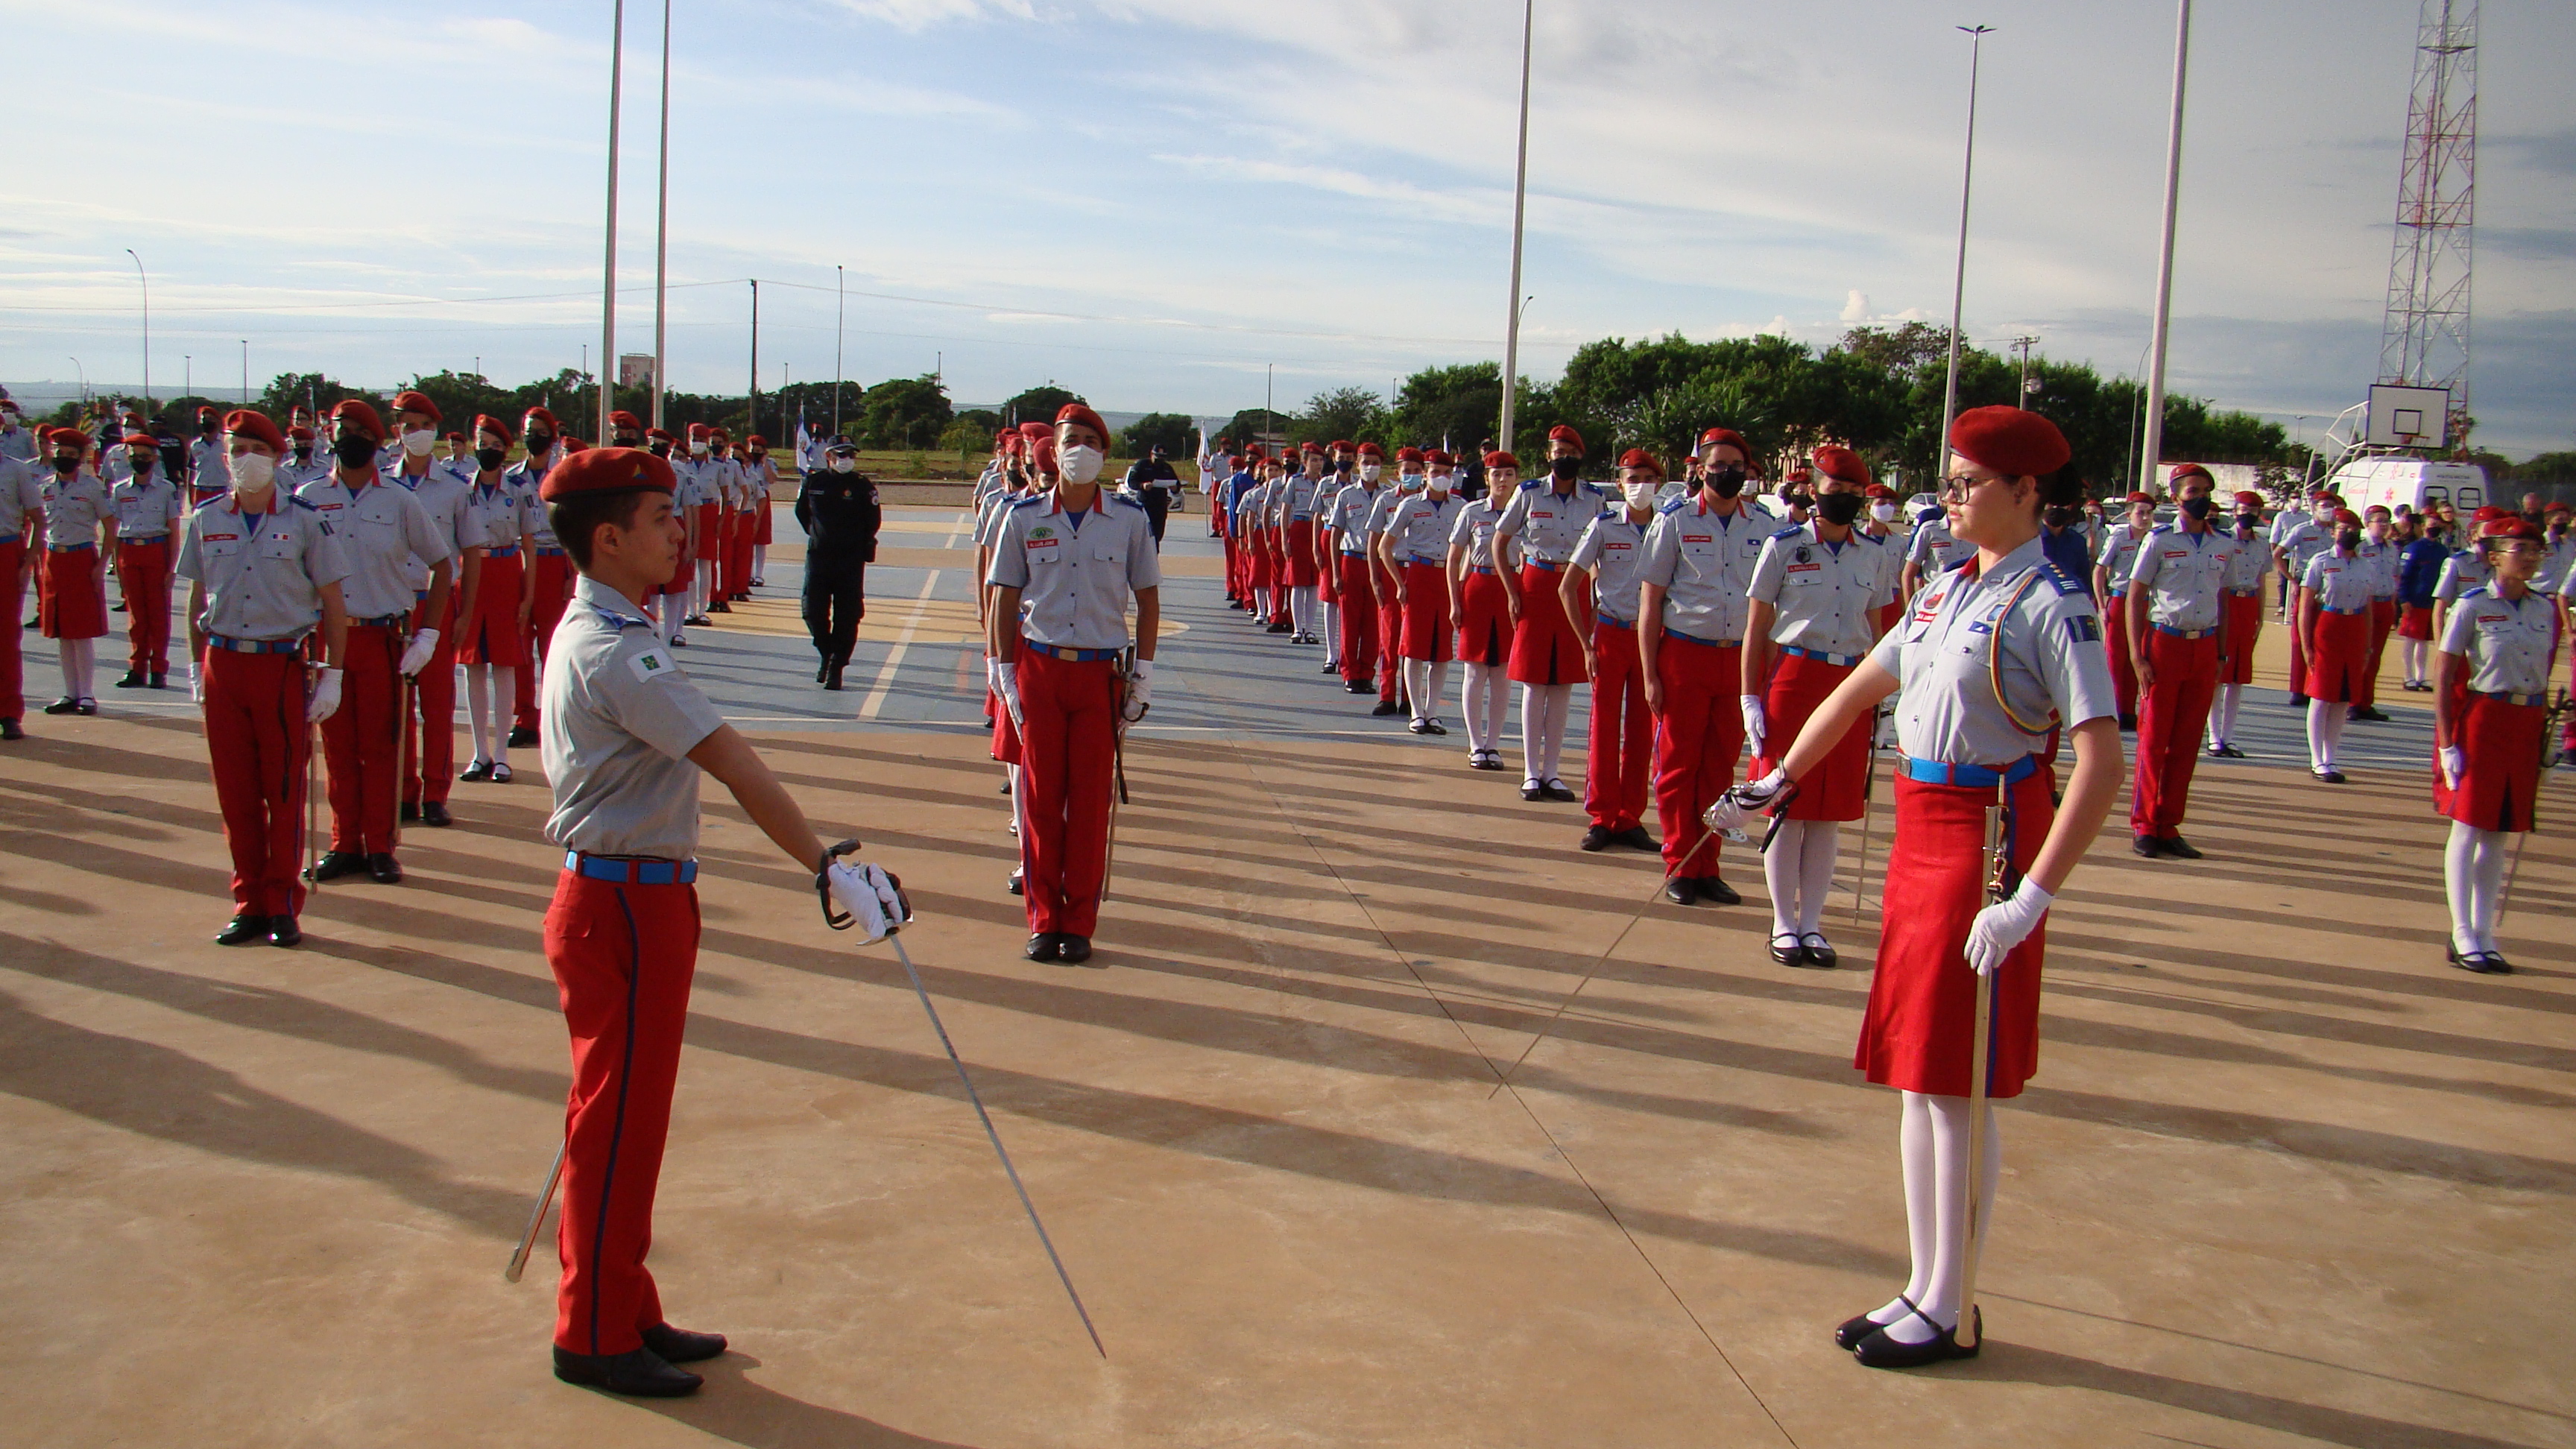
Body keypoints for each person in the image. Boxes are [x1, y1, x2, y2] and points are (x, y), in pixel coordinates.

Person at [1710, 404, 2121, 1368]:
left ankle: (1955, 1304)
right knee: (1917, 1079)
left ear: (2027, 493)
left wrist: (2036, 896)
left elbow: (2100, 761)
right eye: (1954, 480)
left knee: (1961, 1083)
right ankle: (1925, 1286)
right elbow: (1859, 689)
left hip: (1987, 841)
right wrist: (1779, 777)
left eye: (1974, 483)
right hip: (1923, 834)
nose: (1954, 497)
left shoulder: (2055, 604)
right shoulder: (1943, 590)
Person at [528, 441, 909, 1398]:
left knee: (628, 1122)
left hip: (638, 894)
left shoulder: (611, 626)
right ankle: (594, 1333)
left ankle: (625, 1300)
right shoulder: (620, 650)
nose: (678, 529)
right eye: (659, 518)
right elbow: (734, 763)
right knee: (614, 1128)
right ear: (608, 539)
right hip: (622, 903)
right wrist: (827, 865)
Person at [985, 405, 1158, 964]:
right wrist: (1003, 673)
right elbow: (1004, 597)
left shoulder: (1130, 521)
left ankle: (1079, 921)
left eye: (1090, 440)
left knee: (1089, 804)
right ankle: (1042, 918)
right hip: (1039, 667)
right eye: (1070, 440)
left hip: (1100, 675)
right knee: (1038, 801)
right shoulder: (1023, 516)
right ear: (1053, 451)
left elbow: (1149, 600)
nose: (1079, 449)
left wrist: (1143, 678)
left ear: (1104, 454)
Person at [174, 409, 351, 947]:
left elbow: (333, 603)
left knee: (282, 790)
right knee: (236, 794)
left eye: (256, 448)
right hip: (224, 661)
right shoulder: (207, 519)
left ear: (276, 456)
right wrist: (195, 666)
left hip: (279, 665)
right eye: (236, 448)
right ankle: (248, 899)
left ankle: (281, 903)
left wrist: (333, 677)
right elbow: (194, 599)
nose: (244, 458)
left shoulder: (303, 521)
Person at [1741, 444, 1895, 965]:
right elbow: (1757, 628)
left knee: (1829, 813)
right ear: (1813, 490)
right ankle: (1783, 922)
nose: (1846, 500)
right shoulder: (1782, 547)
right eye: (1837, 491)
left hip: (1850, 681)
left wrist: (1882, 705)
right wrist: (1750, 696)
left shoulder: (1875, 554)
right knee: (1788, 802)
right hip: (1794, 676)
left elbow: (1879, 633)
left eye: (1855, 494)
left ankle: (1813, 925)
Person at [295, 400, 455, 883]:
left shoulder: (400, 500)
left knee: (383, 747)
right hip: (327, 640)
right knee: (338, 747)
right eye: (343, 429)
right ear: (329, 433)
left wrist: (428, 633)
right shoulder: (305, 498)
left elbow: (443, 564)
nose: (352, 438)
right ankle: (345, 842)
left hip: (381, 636)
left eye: (362, 431)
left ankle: (382, 845)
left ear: (378, 437)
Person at [1636, 426, 1770, 906]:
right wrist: (1651, 672)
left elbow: (1770, 606)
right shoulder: (1672, 521)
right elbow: (1650, 602)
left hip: (1735, 660)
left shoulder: (1763, 527)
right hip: (1684, 655)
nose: (1727, 474)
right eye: (1718, 465)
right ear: (1700, 469)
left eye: (1737, 466)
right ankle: (1679, 863)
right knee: (1677, 766)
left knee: (1718, 768)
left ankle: (1706, 863)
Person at [2432, 516, 2560, 973]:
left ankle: (2485, 931)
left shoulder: (2545, 609)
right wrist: (2449, 744)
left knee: (2501, 829)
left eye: (2535, 550)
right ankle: (2461, 930)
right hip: (2484, 719)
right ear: (2493, 556)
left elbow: (2544, 670)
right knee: (2468, 824)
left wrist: (2545, 737)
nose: (2530, 558)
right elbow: (2445, 678)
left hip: (2525, 721)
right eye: (2520, 549)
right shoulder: (2470, 607)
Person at [2123, 463, 2239, 856]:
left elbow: (2223, 597)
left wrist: (2221, 652)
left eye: (2206, 490)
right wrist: (2137, 656)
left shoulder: (2224, 544)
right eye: (2192, 491)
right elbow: (2137, 596)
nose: (2201, 497)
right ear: (2175, 498)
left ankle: (2169, 824)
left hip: (2204, 646)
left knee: (2188, 741)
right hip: (2165, 643)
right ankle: (2144, 824)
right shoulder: (2158, 541)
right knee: (2154, 739)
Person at [385, 391, 484, 827]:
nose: (416, 434)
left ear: (436, 432)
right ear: (396, 432)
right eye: (408, 426)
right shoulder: (380, 486)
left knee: (437, 703)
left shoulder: (455, 491)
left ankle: (435, 792)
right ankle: (404, 791)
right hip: (390, 603)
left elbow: (473, 554)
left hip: (437, 603)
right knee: (396, 704)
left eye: (424, 425)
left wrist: (464, 615)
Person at [1562, 449, 1664, 852]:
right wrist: (1586, 643)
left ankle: (1631, 816)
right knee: (1604, 727)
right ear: (1619, 484)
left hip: (1653, 638)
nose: (1640, 486)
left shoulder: (1668, 527)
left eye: (1647, 478)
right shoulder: (1604, 527)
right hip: (1612, 632)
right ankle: (1602, 815)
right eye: (1631, 479)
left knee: (1643, 728)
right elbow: (1568, 585)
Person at [1497, 424, 1604, 800]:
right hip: (1536, 585)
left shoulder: (1593, 499)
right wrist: (1512, 589)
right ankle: (1530, 771)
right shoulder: (1528, 494)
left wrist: (1597, 597)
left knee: (1563, 685)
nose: (1565, 459)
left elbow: (1600, 552)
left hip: (1575, 589)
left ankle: (1552, 772)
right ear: (1548, 455)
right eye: (1559, 453)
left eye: (1572, 453)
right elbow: (1500, 540)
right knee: (1534, 682)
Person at [458, 415, 531, 783]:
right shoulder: (460, 489)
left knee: (504, 666)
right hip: (471, 574)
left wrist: (528, 596)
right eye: (482, 442)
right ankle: (479, 752)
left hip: (505, 574)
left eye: (495, 445)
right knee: (472, 666)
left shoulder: (518, 490)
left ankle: (502, 754)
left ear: (506, 450)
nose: (487, 450)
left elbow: (530, 546)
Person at [1378, 451, 1466, 736]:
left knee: (1441, 652)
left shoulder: (1462, 507)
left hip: (1447, 577)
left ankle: (1433, 712)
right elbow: (1384, 547)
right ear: (1425, 474)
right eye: (1435, 472)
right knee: (1413, 649)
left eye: (1446, 472)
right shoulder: (1409, 505)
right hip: (1418, 573)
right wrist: (1400, 584)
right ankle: (1416, 711)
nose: (1440, 477)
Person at [37, 427, 115, 716]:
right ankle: (69, 692)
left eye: (71, 454)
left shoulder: (92, 487)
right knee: (62, 632)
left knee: (81, 632)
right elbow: (37, 525)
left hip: (82, 558)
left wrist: (102, 563)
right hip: (54, 560)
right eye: (60, 453)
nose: (64, 458)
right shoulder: (45, 487)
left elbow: (111, 525)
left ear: (81, 457)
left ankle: (87, 694)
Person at [1450, 452, 1519, 769]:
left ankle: (1494, 743)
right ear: (1486, 478)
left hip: (1512, 589)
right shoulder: (1472, 512)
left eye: (1508, 474)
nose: (1502, 480)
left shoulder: (1525, 513)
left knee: (1503, 672)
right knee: (1475, 671)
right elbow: (1454, 558)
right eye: (1496, 475)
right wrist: (1454, 600)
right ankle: (1475, 744)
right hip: (1478, 586)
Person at [795, 440, 882, 689]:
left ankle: (836, 666)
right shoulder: (814, 483)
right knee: (812, 610)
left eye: (851, 454)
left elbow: (873, 519)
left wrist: (858, 543)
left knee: (848, 615)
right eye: (841, 454)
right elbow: (802, 512)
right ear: (829, 456)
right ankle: (827, 653)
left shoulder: (862, 486)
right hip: (820, 557)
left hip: (850, 560)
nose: (847, 458)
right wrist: (817, 534)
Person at [2296, 509, 2375, 783]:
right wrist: (2307, 645)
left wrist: (2368, 646)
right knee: (2321, 694)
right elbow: (2306, 607)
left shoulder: (2367, 566)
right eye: (2342, 529)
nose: (2348, 534)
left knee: (2343, 697)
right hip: (2328, 627)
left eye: (2353, 530)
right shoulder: (2321, 562)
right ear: (2332, 532)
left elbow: (2368, 609)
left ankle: (2332, 756)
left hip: (2354, 629)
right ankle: (2317, 759)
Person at [512, 409, 575, 745]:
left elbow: (574, 530)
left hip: (554, 564)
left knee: (552, 646)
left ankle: (555, 716)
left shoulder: (563, 478)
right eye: (528, 430)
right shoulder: (511, 479)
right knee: (519, 647)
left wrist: (572, 574)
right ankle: (524, 716)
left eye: (540, 431)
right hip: (521, 564)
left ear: (552, 436)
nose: (533, 436)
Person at [109, 430, 184, 689]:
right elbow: (115, 531)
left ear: (153, 459)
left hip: (156, 551)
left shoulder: (166, 489)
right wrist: (116, 566)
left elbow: (174, 530)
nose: (139, 460)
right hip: (130, 552)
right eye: (134, 456)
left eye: (144, 456)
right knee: (136, 617)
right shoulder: (119, 490)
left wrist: (172, 568)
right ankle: (137, 668)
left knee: (158, 615)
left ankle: (159, 669)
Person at [2206, 490, 2271, 757]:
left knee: (2238, 677)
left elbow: (2262, 581)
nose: (2247, 515)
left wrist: (2261, 616)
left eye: (2253, 511)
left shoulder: (2261, 543)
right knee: (2218, 674)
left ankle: (2229, 736)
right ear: (2234, 512)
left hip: (2248, 604)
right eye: (2243, 509)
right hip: (2226, 602)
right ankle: (2213, 735)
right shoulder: (2223, 540)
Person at [1325, 443, 1388, 695]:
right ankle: (1350, 673)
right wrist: (1336, 572)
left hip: (1378, 564)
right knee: (1350, 623)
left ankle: (1367, 673)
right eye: (1365, 463)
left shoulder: (1389, 496)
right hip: (1351, 560)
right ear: (1357, 465)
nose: (1370, 467)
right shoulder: (1347, 495)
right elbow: (1335, 534)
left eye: (1375, 463)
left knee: (1373, 624)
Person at [2094, 491, 2156, 729]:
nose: (2145, 517)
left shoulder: (2154, 539)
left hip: (2144, 603)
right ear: (2129, 514)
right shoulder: (2119, 537)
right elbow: (2099, 571)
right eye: (2140, 513)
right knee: (2115, 657)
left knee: (2138, 655)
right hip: (2120, 600)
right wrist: (2102, 605)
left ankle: (2128, 709)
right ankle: (2109, 708)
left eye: (2149, 513)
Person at [0, 440, 40, 739]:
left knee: (5, 636)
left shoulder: (16, 470)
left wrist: (27, 563)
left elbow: (39, 520)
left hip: (6, 550)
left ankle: (9, 712)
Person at [1122, 443, 1181, 545]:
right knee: (1143, 533)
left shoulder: (1167, 468)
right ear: (1151, 454)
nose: (1159, 460)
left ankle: (1154, 556)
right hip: (1145, 504)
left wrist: (1175, 488)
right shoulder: (1142, 465)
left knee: (1157, 535)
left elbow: (1176, 484)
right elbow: (1132, 482)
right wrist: (1142, 485)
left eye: (1162, 457)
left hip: (1160, 505)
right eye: (1157, 457)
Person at [184, 405, 230, 507]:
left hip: (222, 490)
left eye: (210, 419)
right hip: (201, 490)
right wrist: (191, 498)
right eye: (203, 419)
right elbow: (191, 472)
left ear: (217, 422)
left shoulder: (226, 443)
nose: (206, 422)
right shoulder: (195, 445)